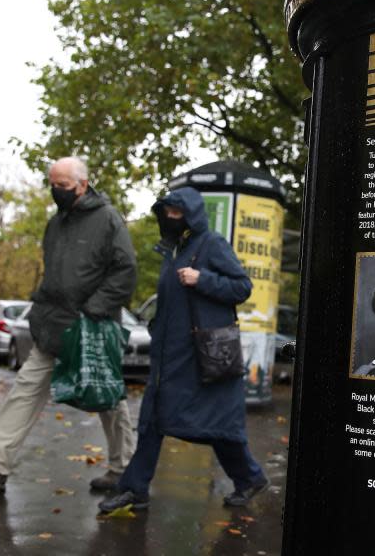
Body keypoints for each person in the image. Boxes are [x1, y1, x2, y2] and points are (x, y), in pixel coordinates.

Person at [0, 157, 138, 491]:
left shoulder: (108, 219)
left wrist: (96, 307)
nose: (56, 191)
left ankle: (125, 470)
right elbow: (54, 272)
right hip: (53, 324)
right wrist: (41, 300)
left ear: (81, 184)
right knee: (25, 389)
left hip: (91, 326)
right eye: (52, 184)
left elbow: (126, 271)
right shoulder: (56, 223)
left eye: (62, 186)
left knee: (109, 397)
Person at [98, 187, 267, 514]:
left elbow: (242, 287)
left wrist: (202, 278)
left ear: (191, 214)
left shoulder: (211, 244)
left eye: (177, 212)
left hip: (202, 358)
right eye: (167, 213)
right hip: (169, 357)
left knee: (219, 427)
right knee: (152, 420)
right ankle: (136, 490)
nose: (170, 218)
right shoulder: (174, 250)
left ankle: (250, 477)